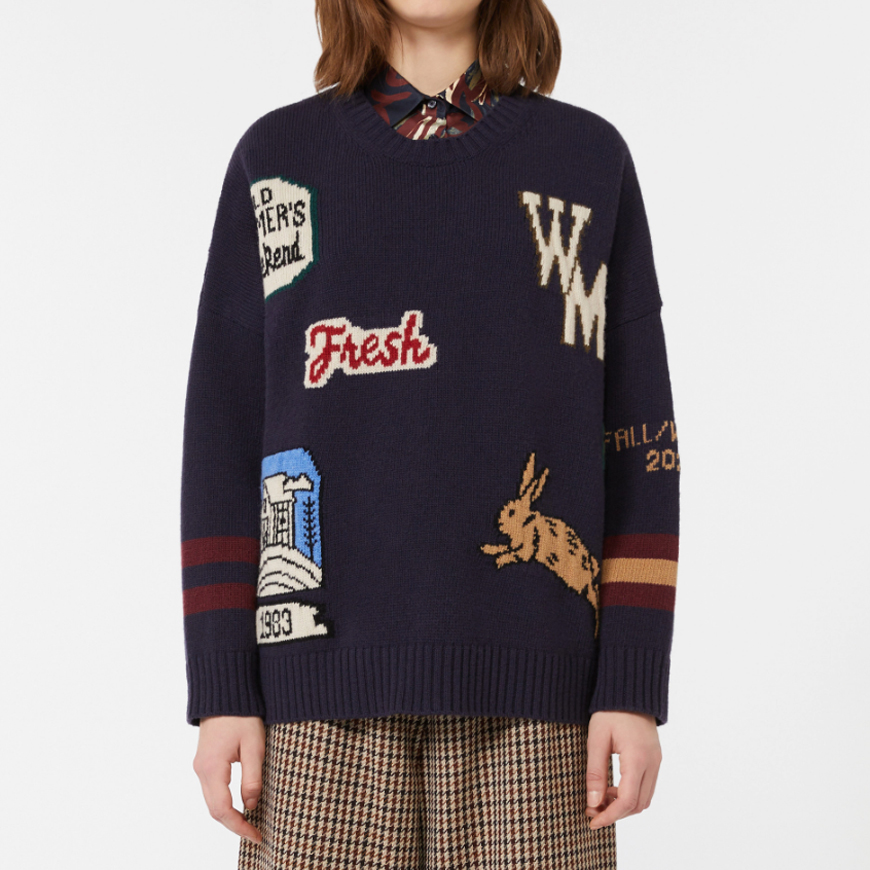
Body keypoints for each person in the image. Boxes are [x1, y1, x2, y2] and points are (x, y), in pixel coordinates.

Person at [180, 1, 680, 867]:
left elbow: (640, 442)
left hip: (542, 707)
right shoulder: (277, 160)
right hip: (313, 703)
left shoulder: (588, 161)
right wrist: (222, 683)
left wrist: (632, 682)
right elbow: (223, 437)